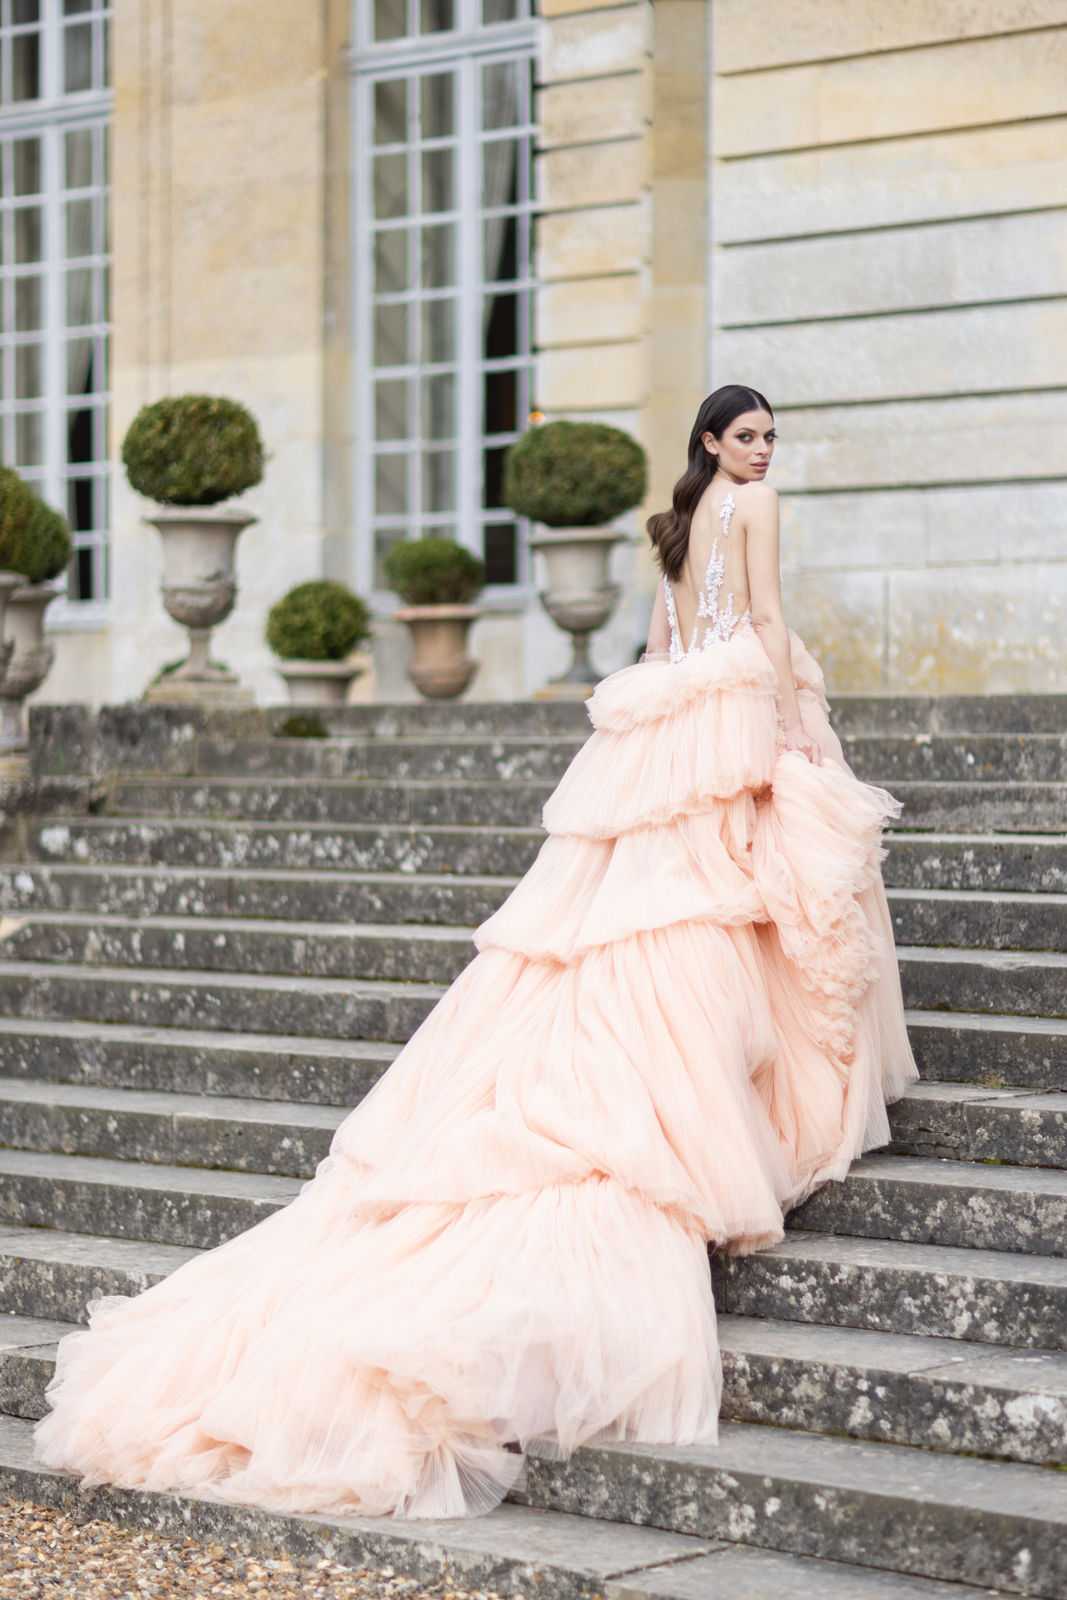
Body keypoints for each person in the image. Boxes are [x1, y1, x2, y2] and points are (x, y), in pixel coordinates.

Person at [33, 383, 919, 1521]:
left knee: (658, 897)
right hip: (731, 703)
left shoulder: (674, 521)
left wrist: (671, 711)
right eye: (746, 437)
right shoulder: (755, 509)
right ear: (710, 439)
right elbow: (760, 621)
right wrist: (795, 722)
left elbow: (656, 643)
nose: (760, 452)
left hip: (669, 718)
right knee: (728, 887)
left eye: (766, 439)